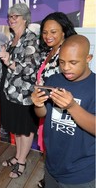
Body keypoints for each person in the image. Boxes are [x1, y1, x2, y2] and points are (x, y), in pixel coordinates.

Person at [31, 34, 95, 187]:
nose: (66, 67)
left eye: (73, 62)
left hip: (81, 171)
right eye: (62, 62)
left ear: (88, 58)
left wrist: (72, 106)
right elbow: (43, 114)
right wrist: (37, 104)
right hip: (52, 163)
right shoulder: (54, 80)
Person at [0, 3, 41, 178]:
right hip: (10, 92)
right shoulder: (10, 40)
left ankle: (22, 161)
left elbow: (30, 69)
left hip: (25, 93)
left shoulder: (31, 39)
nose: (12, 19)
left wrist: (9, 62)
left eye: (16, 16)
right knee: (16, 127)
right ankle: (17, 156)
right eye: (10, 16)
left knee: (25, 128)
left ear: (25, 18)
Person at [36, 12, 77, 188]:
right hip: (46, 107)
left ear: (64, 31)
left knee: (57, 148)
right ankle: (49, 178)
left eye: (53, 32)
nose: (48, 36)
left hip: (60, 110)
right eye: (45, 32)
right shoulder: (49, 51)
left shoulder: (65, 52)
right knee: (48, 147)